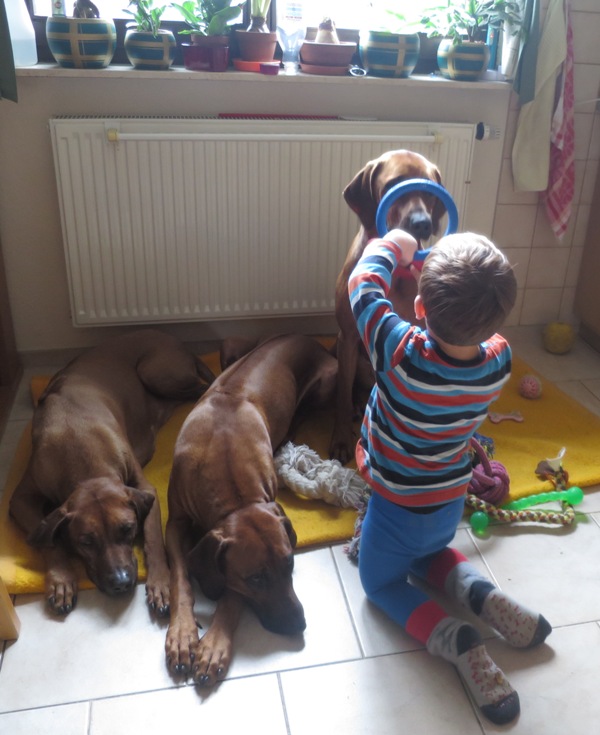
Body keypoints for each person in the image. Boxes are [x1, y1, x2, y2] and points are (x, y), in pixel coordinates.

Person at [349, 229, 551, 726]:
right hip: (447, 504)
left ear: (419, 308)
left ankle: (454, 638)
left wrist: (394, 243)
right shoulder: (500, 359)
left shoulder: (398, 353)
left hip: (395, 510)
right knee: (427, 555)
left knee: (380, 582)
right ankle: (484, 595)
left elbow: (362, 284)